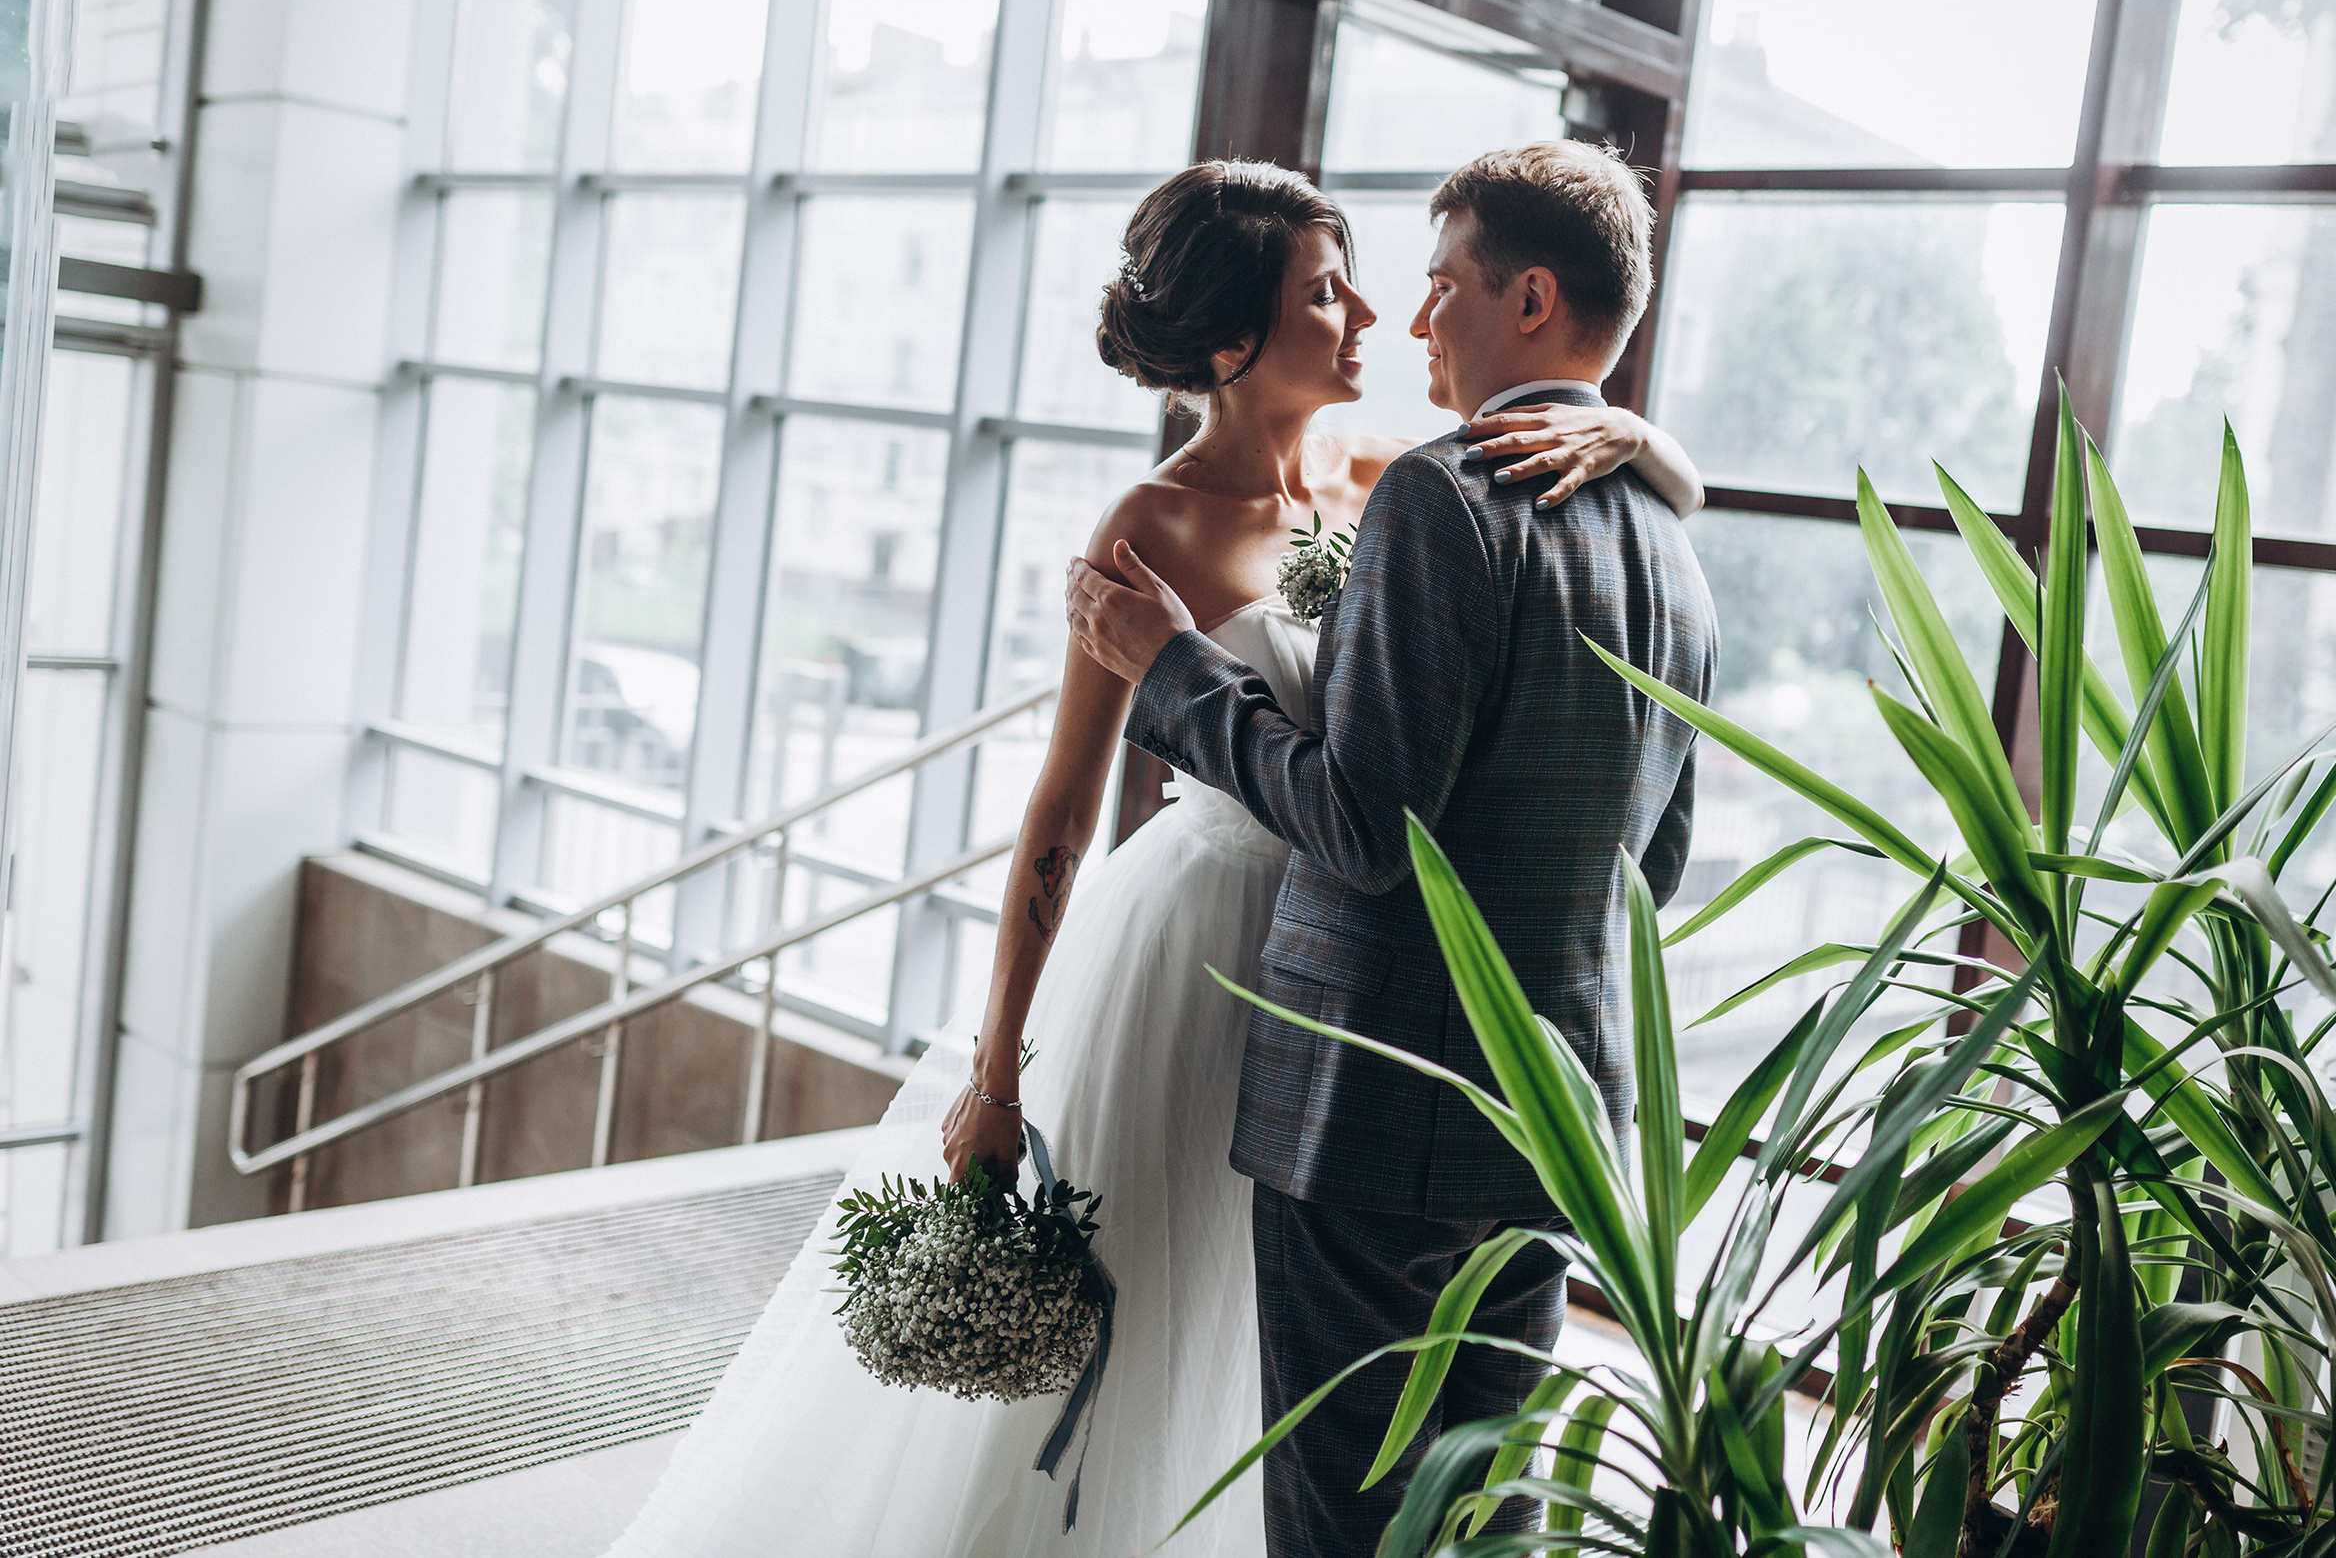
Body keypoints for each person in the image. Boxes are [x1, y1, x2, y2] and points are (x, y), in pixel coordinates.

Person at [596, 155, 1703, 1558]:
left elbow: (1397, 787)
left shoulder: (1390, 504)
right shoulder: (1152, 526)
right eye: (1326, 290)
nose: (1380, 313)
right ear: (1234, 340)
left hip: (1353, 1011)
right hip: (1202, 974)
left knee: (1304, 1408)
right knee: (1168, 1359)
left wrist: (1646, 444)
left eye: (1392, 281)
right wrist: (994, 1076)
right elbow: (1062, 814)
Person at [1065, 141, 1715, 1558]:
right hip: (1550, 1120)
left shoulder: (1439, 496)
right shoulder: (1671, 539)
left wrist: (1178, 674)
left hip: (1377, 1118)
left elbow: (1367, 826)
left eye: (1435, 285)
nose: (1408, 320)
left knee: (1343, 1519)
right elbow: (1650, 869)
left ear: (1530, 298)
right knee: (1483, 1516)